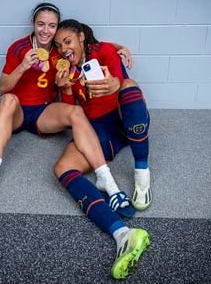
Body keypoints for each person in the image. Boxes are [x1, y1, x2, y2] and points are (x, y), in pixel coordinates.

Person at [0, 3, 133, 218]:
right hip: (16, 112)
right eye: (41, 24)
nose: (46, 30)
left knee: (76, 112)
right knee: (7, 99)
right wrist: (23, 66)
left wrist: (121, 47)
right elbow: (2, 88)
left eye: (51, 25)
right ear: (33, 25)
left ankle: (107, 180)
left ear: (57, 28)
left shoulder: (60, 50)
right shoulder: (19, 47)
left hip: (43, 113)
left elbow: (89, 44)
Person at [53, 19, 152, 279]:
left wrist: (116, 84)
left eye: (67, 41)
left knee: (130, 87)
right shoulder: (68, 70)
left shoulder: (105, 51)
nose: (63, 48)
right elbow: (70, 110)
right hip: (99, 134)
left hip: (122, 119)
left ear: (82, 37)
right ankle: (123, 234)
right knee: (63, 167)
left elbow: (123, 82)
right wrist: (64, 88)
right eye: (58, 44)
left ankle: (142, 174)